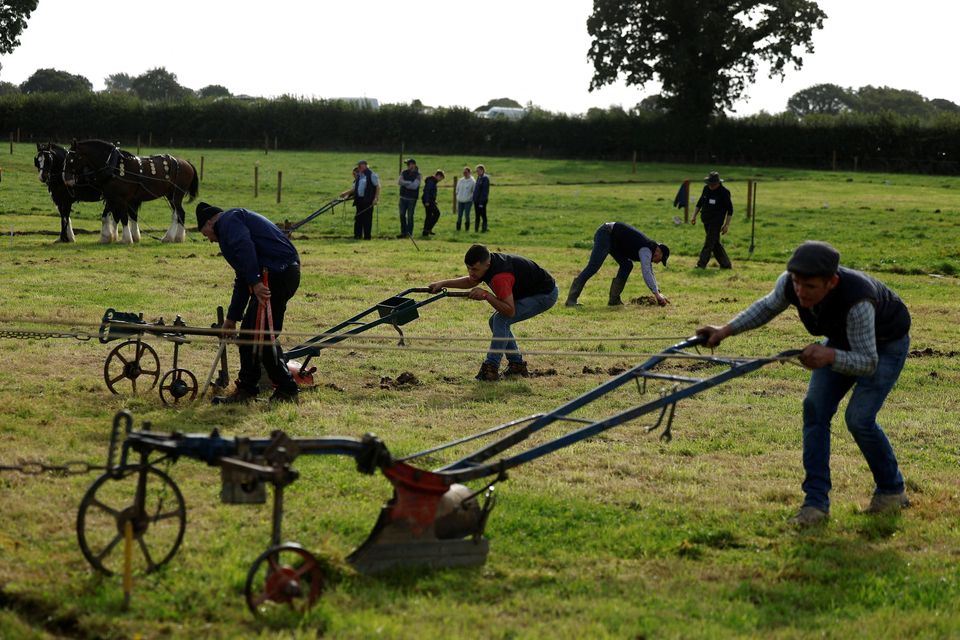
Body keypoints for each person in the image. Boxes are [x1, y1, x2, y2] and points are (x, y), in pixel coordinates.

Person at [696, 241, 911, 527]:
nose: (800, 291)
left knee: (859, 419)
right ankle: (815, 505)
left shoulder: (858, 301)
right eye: (797, 283)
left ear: (832, 282)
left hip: (884, 346)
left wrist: (829, 355)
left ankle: (891, 491)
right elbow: (766, 308)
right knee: (815, 409)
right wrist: (724, 330)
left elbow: (867, 362)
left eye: (809, 286)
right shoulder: (790, 283)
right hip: (841, 339)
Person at [196, 202, 302, 403]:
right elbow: (242, 277)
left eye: (205, 234)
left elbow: (245, 246)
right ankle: (248, 389)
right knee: (251, 335)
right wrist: (231, 318)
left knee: (261, 335)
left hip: (278, 274)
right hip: (275, 273)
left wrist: (256, 281)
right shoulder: (229, 228)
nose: (209, 240)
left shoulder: (229, 220)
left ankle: (285, 389)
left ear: (210, 222)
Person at [428, 244, 557, 381]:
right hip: (532, 290)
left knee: (501, 320)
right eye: (468, 268)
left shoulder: (500, 277)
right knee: (495, 321)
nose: (471, 273)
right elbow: (471, 281)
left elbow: (510, 311)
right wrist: (442, 283)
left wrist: (486, 295)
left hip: (545, 295)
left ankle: (491, 368)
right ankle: (516, 365)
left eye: (474, 269)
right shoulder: (487, 264)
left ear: (487, 265)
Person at [565, 222, 670, 307]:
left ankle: (614, 300)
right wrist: (656, 294)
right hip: (606, 233)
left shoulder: (649, 249)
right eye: (660, 260)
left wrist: (658, 292)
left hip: (614, 240)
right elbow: (646, 271)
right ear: (658, 252)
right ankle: (571, 299)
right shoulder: (646, 249)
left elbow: (650, 271)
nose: (657, 262)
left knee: (627, 265)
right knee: (593, 267)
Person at [691, 171, 733, 269]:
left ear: (718, 183)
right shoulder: (706, 189)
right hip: (706, 220)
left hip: (716, 221)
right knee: (715, 243)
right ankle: (726, 264)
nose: (711, 186)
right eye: (709, 184)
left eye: (713, 184)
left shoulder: (724, 192)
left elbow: (730, 210)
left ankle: (701, 264)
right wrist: (694, 216)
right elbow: (699, 203)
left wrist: (726, 225)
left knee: (709, 243)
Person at [340, 160, 379, 240]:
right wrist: (346, 194)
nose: (358, 168)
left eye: (359, 166)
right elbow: (355, 188)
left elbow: (378, 187)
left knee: (367, 219)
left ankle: (367, 237)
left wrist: (376, 198)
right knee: (358, 218)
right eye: (358, 166)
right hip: (359, 200)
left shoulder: (372, 175)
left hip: (368, 200)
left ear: (365, 165)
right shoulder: (360, 175)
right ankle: (357, 236)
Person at [397, 158, 421, 238]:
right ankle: (403, 232)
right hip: (402, 197)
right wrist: (409, 183)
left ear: (414, 165)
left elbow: (415, 186)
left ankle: (409, 233)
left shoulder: (418, 175)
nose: (407, 166)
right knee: (402, 215)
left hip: (412, 199)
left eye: (409, 164)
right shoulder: (404, 172)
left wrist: (405, 183)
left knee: (410, 216)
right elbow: (399, 182)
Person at [421, 170, 445, 237]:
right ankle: (427, 229)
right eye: (441, 178)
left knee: (429, 216)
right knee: (437, 214)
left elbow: (431, 192)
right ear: (438, 176)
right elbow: (427, 191)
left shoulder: (432, 181)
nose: (440, 180)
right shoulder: (431, 181)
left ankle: (426, 231)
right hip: (428, 201)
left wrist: (434, 200)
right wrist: (427, 201)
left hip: (430, 201)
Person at [455, 166, 476, 231]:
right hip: (460, 201)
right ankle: (458, 229)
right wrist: (458, 196)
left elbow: (474, 191)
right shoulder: (460, 180)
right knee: (459, 215)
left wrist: (470, 198)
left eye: (466, 172)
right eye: (463, 172)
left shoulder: (472, 181)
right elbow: (457, 189)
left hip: (468, 201)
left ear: (469, 173)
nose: (464, 174)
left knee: (467, 215)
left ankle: (467, 229)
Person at [472, 164, 490, 232]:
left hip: (482, 201)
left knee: (483, 215)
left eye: (478, 171)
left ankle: (484, 229)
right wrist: (474, 198)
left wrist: (481, 203)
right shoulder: (478, 178)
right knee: (477, 215)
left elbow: (484, 192)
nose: (477, 172)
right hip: (476, 200)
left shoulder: (485, 178)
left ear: (482, 170)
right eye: (476, 171)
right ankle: (476, 229)